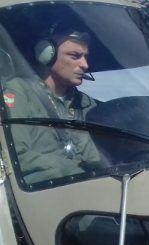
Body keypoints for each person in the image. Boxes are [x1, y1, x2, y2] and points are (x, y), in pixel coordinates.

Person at [3, 27, 102, 184]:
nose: (85, 64)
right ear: (46, 55)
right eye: (75, 56)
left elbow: (99, 158)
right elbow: (16, 156)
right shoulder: (19, 91)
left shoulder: (86, 104)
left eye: (85, 57)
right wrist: (72, 169)